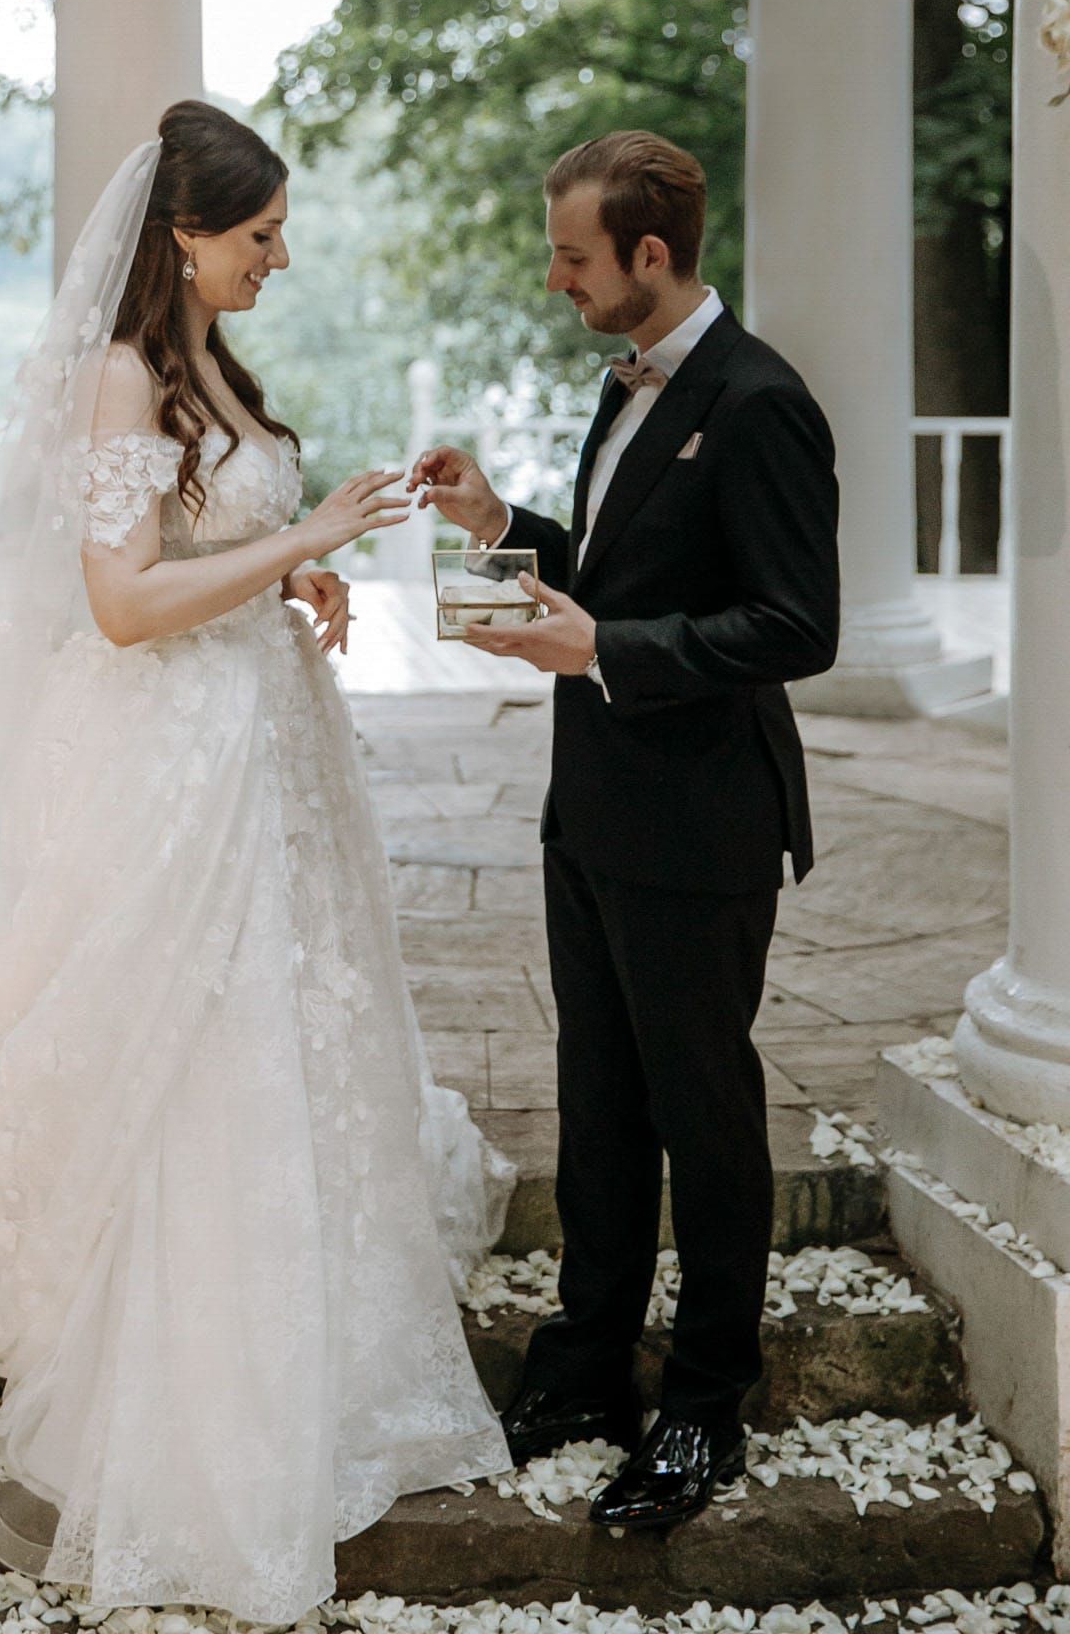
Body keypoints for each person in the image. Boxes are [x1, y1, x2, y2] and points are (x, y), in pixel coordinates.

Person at [0, 100, 511, 1623]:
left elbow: (206, 556)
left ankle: (325, 1345)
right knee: (202, 1044)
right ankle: (203, 1377)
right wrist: (300, 550)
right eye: (259, 235)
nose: (278, 258)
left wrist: (298, 596)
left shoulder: (209, 367)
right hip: (165, 766)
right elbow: (119, 602)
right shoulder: (119, 378)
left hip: (257, 743)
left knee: (294, 1032)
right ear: (182, 236)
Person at [410, 129, 839, 1534]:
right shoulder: (629, 385)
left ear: (650, 257)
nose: (559, 280)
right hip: (590, 807)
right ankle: (588, 1361)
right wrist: (496, 525)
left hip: (704, 821)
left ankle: (709, 1397)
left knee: (703, 1111)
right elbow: (612, 570)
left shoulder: (763, 400)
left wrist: (604, 647)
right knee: (598, 1101)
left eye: (576, 257)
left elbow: (797, 625)